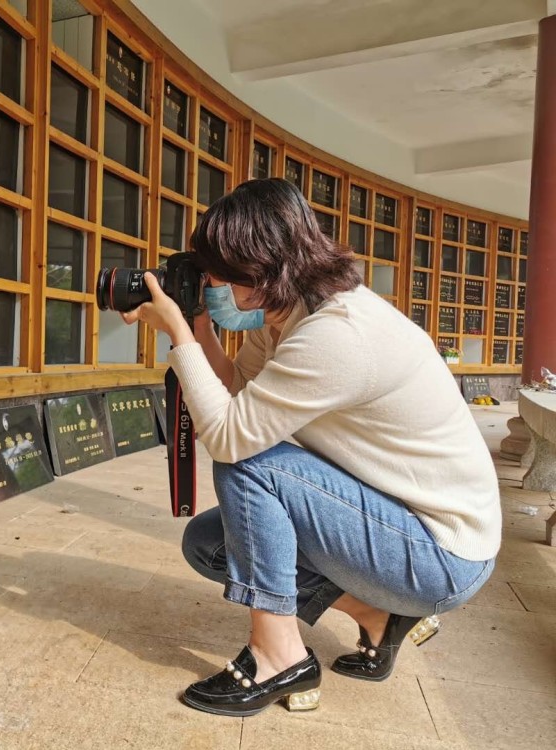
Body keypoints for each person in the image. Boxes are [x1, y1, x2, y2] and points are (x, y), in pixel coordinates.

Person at [120, 178, 500, 718]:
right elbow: (239, 396)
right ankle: (377, 616)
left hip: (439, 553)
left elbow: (231, 437)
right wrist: (198, 325)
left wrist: (179, 336)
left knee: (251, 465)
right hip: (401, 522)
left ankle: (279, 657)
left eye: (222, 271)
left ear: (262, 267)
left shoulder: (337, 334)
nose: (214, 280)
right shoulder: (285, 315)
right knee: (211, 543)